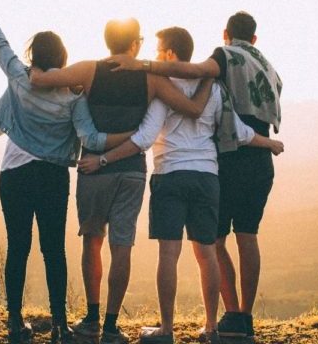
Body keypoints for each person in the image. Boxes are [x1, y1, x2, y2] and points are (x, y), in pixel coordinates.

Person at [79, 27, 283, 344]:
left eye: (160, 51)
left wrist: (103, 159)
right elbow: (237, 131)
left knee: (168, 254)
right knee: (207, 254)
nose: (157, 56)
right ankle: (212, 328)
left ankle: (166, 330)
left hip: (170, 175)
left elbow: (143, 139)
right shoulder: (213, 88)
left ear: (171, 54)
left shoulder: (164, 90)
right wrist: (267, 143)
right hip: (207, 177)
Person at [0, 0, 132, 344]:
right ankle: (59, 324)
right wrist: (133, 137)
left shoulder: (20, 77)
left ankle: (14, 322)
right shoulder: (73, 96)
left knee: (18, 246)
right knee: (53, 249)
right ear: (62, 57)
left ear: (33, 55)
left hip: (14, 173)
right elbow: (90, 137)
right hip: (53, 176)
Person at [30, 19, 213, 344]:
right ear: (135, 45)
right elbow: (191, 109)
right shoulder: (151, 78)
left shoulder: (88, 70)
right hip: (131, 171)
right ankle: (112, 325)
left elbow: (44, 79)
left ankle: (91, 318)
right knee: (121, 245)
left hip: (93, 169)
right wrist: (210, 78)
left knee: (92, 241)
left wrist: (35, 72)